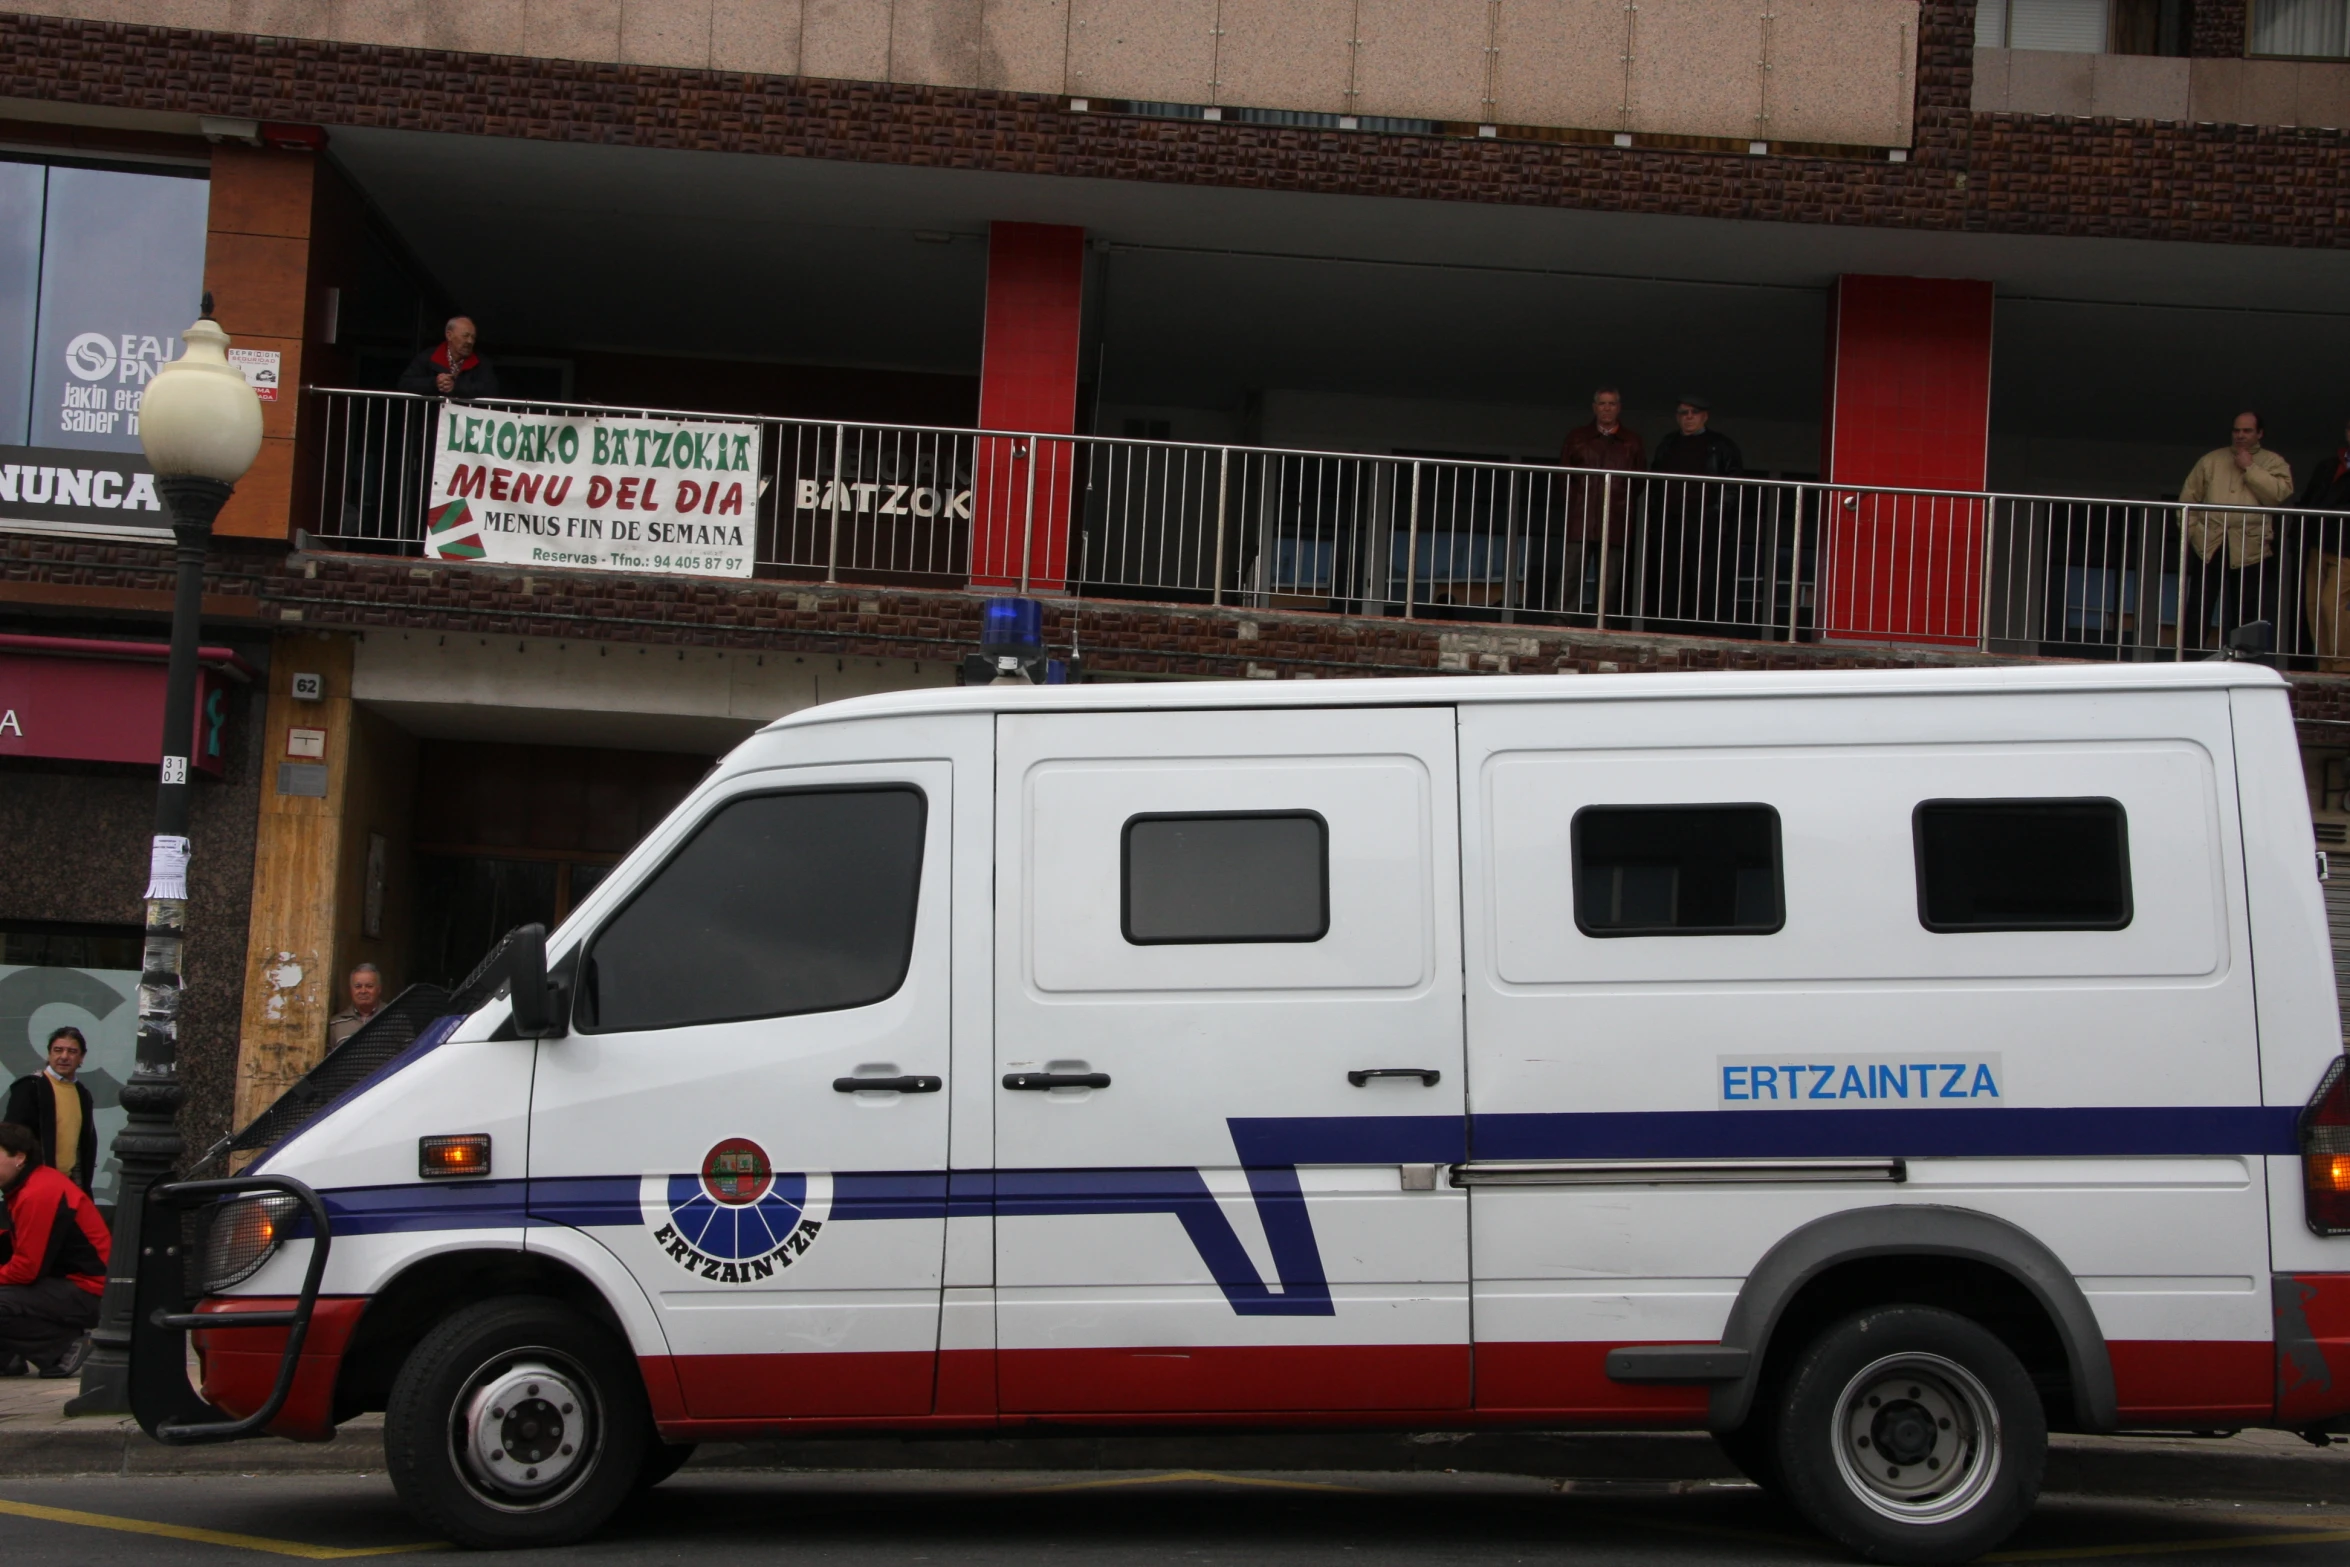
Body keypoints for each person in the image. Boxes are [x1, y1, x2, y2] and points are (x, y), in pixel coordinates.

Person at [0, 1121, 108, 1377]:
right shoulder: (31, 1185)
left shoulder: (37, 1193)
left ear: (19, 1158)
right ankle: (9, 1357)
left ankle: (62, 1348)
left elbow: (26, 1270)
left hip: (92, 1291)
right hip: (77, 1284)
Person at [2178, 411, 2292, 653]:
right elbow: (2188, 500)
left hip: (2251, 547)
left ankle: (2243, 662)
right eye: (2236, 430)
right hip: (2210, 543)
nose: (2240, 435)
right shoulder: (2211, 460)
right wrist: (2192, 535)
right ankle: (2190, 659)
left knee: (2246, 609)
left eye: (2247, 431)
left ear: (2259, 433)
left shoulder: (2273, 462)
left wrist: (2250, 468)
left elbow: (2278, 495)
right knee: (2199, 605)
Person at [1646, 394, 1746, 633]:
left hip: (1705, 523)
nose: (1688, 417)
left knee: (1704, 577)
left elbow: (1733, 485)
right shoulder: (1667, 443)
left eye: (1694, 412)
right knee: (1670, 576)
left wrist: (1717, 515)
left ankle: (1703, 629)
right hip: (1671, 522)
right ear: (1677, 417)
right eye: (1683, 413)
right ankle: (1668, 627)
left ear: (1705, 416)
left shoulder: (1721, 445)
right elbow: (1655, 483)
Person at [1554, 388, 1646, 618]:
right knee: (1572, 572)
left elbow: (1638, 482)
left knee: (1609, 576)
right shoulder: (1577, 437)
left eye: (1612, 404)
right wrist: (1574, 503)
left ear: (1619, 407)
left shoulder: (1632, 441)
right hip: (1580, 516)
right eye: (1602, 403)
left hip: (1615, 517)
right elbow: (1564, 476)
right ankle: (1562, 619)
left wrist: (1621, 504)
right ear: (1594, 407)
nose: (1607, 408)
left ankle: (1602, 622)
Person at [4, 1027, 96, 1191]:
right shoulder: (31, 1088)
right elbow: (11, 1140)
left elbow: (83, 1145)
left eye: (72, 1051)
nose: (64, 1057)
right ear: (49, 1054)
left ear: (81, 1057)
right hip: (34, 1185)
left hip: (70, 1184)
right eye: (58, 1050)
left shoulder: (82, 1094)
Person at [2301, 415, 2350, 672]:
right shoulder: (2328, 465)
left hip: (2347, 549)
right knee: (2314, 607)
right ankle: (2325, 665)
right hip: (2318, 544)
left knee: (2333, 605)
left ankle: (2343, 664)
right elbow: (2309, 499)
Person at [397, 315, 502, 401]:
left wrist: (456, 387)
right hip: (432, 422)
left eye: (473, 337)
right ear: (449, 335)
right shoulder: (428, 356)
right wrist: (435, 383)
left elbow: (491, 390)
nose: (470, 341)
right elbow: (405, 383)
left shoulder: (481, 362)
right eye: (465, 336)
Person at [327, 963, 385, 1050]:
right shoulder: (336, 1024)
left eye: (369, 986)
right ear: (351, 989)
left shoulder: (395, 1018)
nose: (363, 991)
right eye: (358, 986)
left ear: (379, 989)